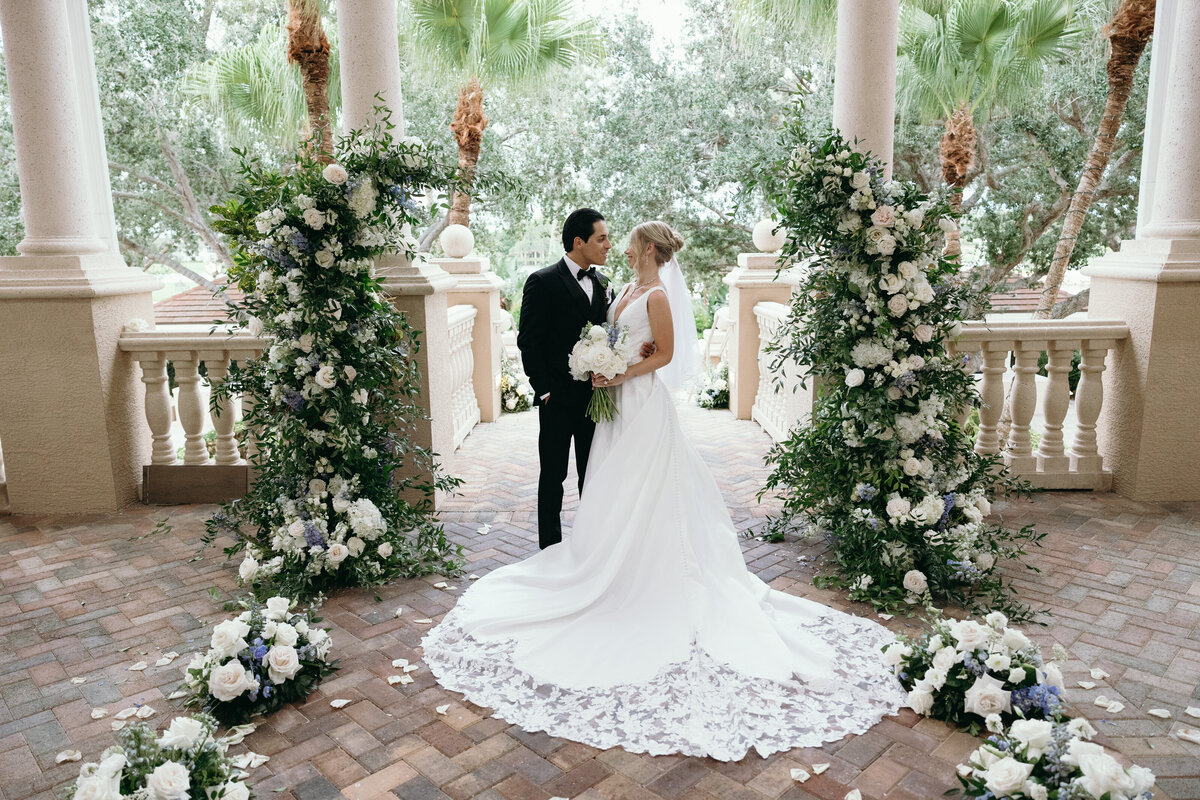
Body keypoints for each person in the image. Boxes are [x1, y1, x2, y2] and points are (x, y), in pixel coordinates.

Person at [424, 222, 905, 761]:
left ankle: (644, 568)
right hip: (604, 405)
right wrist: (593, 366)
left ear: (648, 250)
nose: (619, 248)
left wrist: (618, 371)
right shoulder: (619, 289)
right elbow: (590, 336)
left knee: (643, 484)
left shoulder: (652, 293)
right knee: (603, 481)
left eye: (626, 242)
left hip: (639, 403)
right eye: (609, 239)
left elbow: (664, 355)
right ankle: (590, 556)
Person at [516, 208, 614, 549]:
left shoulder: (602, 283)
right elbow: (529, 340)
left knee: (594, 475)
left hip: (594, 400)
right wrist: (543, 391)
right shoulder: (542, 281)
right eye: (601, 238)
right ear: (578, 241)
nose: (608, 245)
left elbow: (611, 334)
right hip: (556, 399)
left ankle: (590, 546)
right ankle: (550, 548)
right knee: (553, 476)